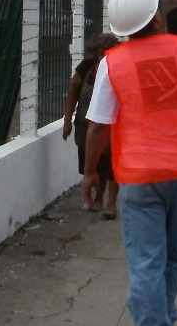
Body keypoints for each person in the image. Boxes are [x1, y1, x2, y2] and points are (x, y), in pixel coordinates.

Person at [82, 0, 177, 326]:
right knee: (173, 255)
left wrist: (90, 172)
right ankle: (163, 317)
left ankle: (155, 320)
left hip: (139, 177)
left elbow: (99, 126)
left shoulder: (112, 63)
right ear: (157, 17)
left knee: (146, 262)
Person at [62, 32, 120, 218]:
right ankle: (99, 197)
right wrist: (67, 121)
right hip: (87, 125)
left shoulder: (119, 66)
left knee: (113, 165)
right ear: (96, 52)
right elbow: (73, 91)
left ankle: (111, 204)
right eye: (101, 52)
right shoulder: (87, 67)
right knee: (95, 164)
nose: (104, 56)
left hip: (114, 125)